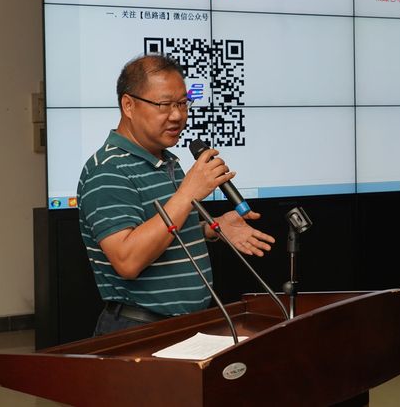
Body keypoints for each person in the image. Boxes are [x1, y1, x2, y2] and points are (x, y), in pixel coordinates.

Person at [77, 54, 276, 336]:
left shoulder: (166, 161)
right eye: (164, 105)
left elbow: (163, 231)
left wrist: (210, 228)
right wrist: (187, 194)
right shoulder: (107, 171)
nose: (177, 115)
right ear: (128, 105)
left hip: (187, 323)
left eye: (182, 103)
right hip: (140, 328)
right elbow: (128, 260)